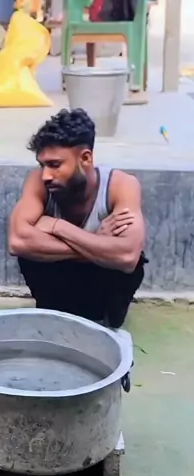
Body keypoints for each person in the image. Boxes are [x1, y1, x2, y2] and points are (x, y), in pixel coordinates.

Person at [9, 108, 147, 328]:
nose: (46, 175)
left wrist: (58, 227)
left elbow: (127, 256)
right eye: (42, 165)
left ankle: (106, 323)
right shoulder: (39, 182)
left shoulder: (122, 186)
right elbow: (18, 241)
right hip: (59, 284)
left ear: (85, 158)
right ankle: (53, 315)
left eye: (55, 165)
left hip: (102, 291)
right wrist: (97, 244)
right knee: (30, 256)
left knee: (131, 265)